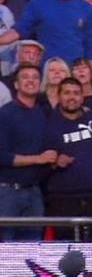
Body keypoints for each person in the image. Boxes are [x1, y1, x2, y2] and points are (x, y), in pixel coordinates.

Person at [0, 63, 54, 240]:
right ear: (15, 84)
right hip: (8, 193)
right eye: (25, 77)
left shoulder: (42, 113)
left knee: (32, 251)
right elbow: (3, 157)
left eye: (35, 77)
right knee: (6, 250)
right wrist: (39, 159)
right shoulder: (5, 114)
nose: (30, 81)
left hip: (35, 192)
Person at [41, 77, 92, 239]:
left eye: (76, 93)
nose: (72, 97)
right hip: (62, 199)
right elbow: (41, 164)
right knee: (66, 252)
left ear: (82, 97)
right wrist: (55, 163)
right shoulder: (48, 124)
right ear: (58, 96)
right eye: (67, 93)